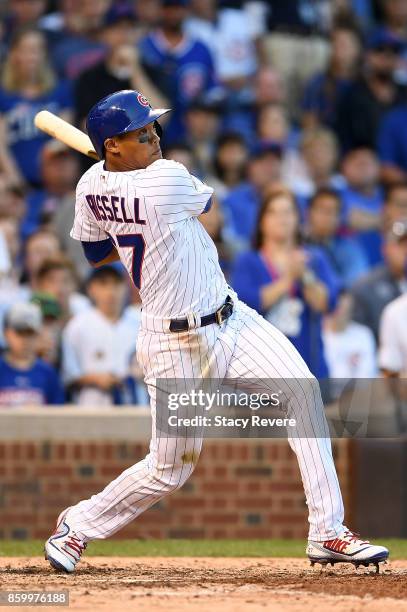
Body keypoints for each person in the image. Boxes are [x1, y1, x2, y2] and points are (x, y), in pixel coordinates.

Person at [44, 89, 388, 573]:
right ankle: (76, 526)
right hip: (172, 343)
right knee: (169, 469)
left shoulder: (89, 187)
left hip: (232, 318)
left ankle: (328, 532)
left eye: (153, 127)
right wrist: (130, 202)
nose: (154, 137)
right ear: (113, 146)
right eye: (140, 133)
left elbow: (96, 252)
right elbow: (209, 208)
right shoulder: (167, 178)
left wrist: (114, 201)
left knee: (303, 392)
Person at [231, 188, 339, 379]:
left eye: (288, 212)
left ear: (298, 219)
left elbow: (325, 303)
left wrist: (305, 275)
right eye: (274, 212)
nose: (282, 218)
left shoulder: (314, 258)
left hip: (309, 362)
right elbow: (245, 305)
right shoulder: (247, 261)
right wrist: (288, 279)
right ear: (262, 221)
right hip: (262, 367)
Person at [0, 26, 73, 187]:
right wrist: (14, 179)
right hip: (16, 182)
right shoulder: (4, 95)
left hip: (55, 182)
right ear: (14, 54)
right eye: (26, 50)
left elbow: (65, 136)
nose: (32, 57)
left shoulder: (59, 91)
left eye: (37, 50)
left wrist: (51, 152)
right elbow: (1, 144)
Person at [138, 0, 218, 144]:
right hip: (151, 128)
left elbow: (211, 92)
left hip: (190, 132)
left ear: (187, 11)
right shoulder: (144, 47)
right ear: (161, 10)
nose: (174, 14)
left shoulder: (201, 49)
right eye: (169, 8)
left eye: (178, 9)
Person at [61, 266, 137, 406]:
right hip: (92, 404)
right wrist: (95, 379)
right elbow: (69, 375)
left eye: (116, 283)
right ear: (91, 289)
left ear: (125, 287)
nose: (111, 291)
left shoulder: (140, 322)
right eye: (103, 283)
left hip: (134, 403)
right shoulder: (77, 326)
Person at [351, 220, 407, 341]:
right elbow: (357, 338)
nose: (405, 250)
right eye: (401, 244)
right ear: (385, 248)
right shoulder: (365, 287)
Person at [0, 302, 64, 406]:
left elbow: (57, 414)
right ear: (6, 333)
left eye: (30, 333)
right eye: (20, 333)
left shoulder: (48, 373)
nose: (25, 340)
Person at [301, 22, 362, 130]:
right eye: (335, 43)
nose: (339, 49)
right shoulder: (318, 83)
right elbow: (309, 124)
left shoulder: (364, 84)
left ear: (357, 50)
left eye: (345, 44)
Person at [305, 189, 369, 288]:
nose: (327, 216)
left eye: (332, 211)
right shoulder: (298, 245)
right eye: (322, 209)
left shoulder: (349, 248)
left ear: (339, 217)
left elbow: (358, 284)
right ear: (309, 213)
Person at [222, 142, 282, 248]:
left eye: (274, 162)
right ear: (250, 167)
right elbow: (231, 243)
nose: (270, 168)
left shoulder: (291, 200)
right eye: (263, 162)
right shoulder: (232, 201)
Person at [323, 291, 377, 399]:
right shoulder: (314, 337)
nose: (338, 303)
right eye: (335, 298)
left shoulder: (363, 334)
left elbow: (366, 381)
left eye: (342, 297)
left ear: (350, 301)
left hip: (355, 404)